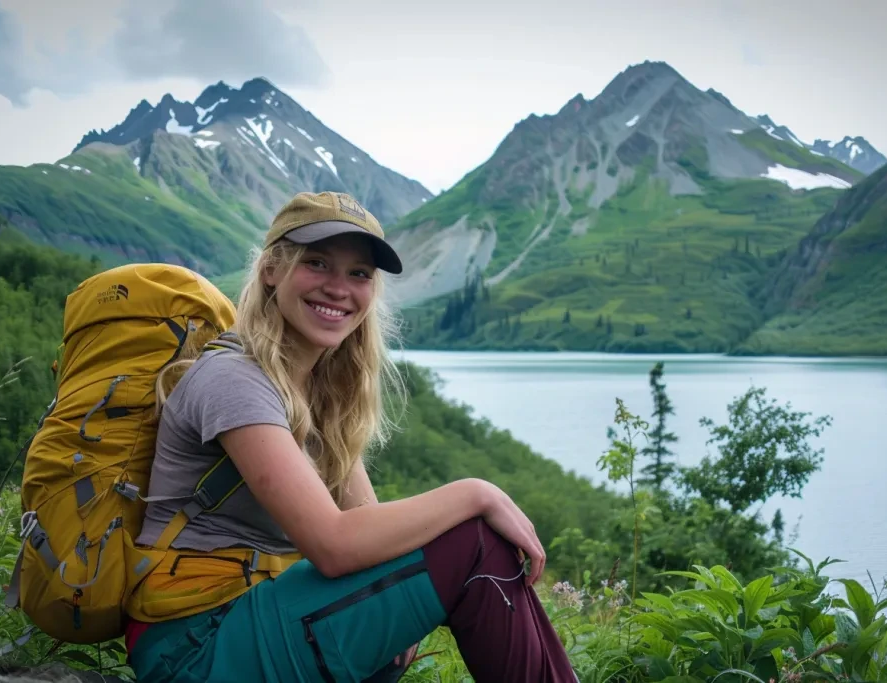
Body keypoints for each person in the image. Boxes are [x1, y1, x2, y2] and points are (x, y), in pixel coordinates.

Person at [123, 191, 578, 682]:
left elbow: (369, 527)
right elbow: (334, 545)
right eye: (317, 263)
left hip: (247, 617)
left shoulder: (315, 392)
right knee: (474, 542)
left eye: (359, 274)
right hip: (192, 646)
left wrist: (402, 600)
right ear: (272, 269)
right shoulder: (236, 380)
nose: (339, 288)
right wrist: (477, 493)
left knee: (449, 553)